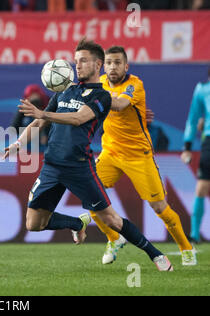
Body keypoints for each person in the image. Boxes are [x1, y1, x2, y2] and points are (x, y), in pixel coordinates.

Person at [6, 38, 173, 271]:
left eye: (83, 61)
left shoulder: (101, 96)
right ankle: (76, 223)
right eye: (76, 61)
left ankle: (156, 255)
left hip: (79, 167)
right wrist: (19, 142)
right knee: (33, 223)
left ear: (98, 65)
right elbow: (37, 122)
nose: (78, 65)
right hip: (52, 166)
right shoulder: (64, 91)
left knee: (111, 219)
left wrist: (43, 114)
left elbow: (78, 119)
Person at [87, 46, 195, 266]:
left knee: (159, 207)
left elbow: (120, 105)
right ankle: (114, 238)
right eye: (109, 62)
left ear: (126, 66)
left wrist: (98, 99)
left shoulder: (135, 85)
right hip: (110, 152)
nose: (113, 66)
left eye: (118, 62)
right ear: (103, 65)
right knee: (90, 197)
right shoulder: (100, 83)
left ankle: (186, 248)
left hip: (138, 156)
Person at [181, 68, 210, 243]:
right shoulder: (202, 89)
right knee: (202, 186)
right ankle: (194, 234)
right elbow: (192, 119)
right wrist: (187, 146)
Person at [11, 84, 50, 149]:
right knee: (27, 120)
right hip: (28, 144)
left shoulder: (49, 104)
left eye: (36, 96)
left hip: (47, 143)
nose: (34, 100)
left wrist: (46, 135)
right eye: (31, 96)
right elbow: (14, 127)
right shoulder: (23, 108)